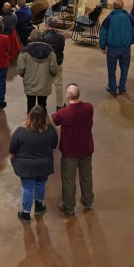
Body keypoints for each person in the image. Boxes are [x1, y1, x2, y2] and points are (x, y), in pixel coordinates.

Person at [9, 105, 58, 223]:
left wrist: (14, 162)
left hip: (26, 167)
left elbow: (12, 151)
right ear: (43, 118)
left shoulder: (20, 132)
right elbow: (54, 147)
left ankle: (25, 213)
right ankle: (39, 205)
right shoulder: (51, 131)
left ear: (29, 116)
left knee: (27, 188)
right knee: (41, 183)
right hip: (44, 165)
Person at [52, 84, 94, 215]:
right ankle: (88, 201)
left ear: (67, 96)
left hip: (70, 152)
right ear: (79, 94)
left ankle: (69, 206)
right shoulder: (89, 108)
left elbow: (55, 120)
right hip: (86, 149)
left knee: (69, 179)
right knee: (86, 176)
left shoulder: (64, 113)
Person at [99, 0, 134, 94]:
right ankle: (122, 86)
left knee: (111, 69)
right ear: (122, 6)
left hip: (112, 49)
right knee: (124, 69)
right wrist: (130, 42)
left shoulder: (109, 19)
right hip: (125, 49)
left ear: (113, 6)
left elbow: (103, 34)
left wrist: (103, 46)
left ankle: (112, 87)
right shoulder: (130, 18)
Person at [17, 29, 58, 112]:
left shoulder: (24, 51)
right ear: (41, 38)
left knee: (30, 106)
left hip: (30, 83)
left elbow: (20, 69)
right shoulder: (50, 51)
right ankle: (41, 123)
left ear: (30, 38)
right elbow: (54, 69)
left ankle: (30, 122)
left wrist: (25, 75)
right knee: (42, 105)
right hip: (44, 83)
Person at [42, 17, 66, 110]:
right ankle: (60, 105)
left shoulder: (43, 37)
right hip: (57, 63)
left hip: (46, 64)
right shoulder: (61, 37)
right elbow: (62, 48)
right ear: (56, 25)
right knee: (58, 84)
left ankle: (42, 105)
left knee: (44, 84)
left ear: (47, 25)